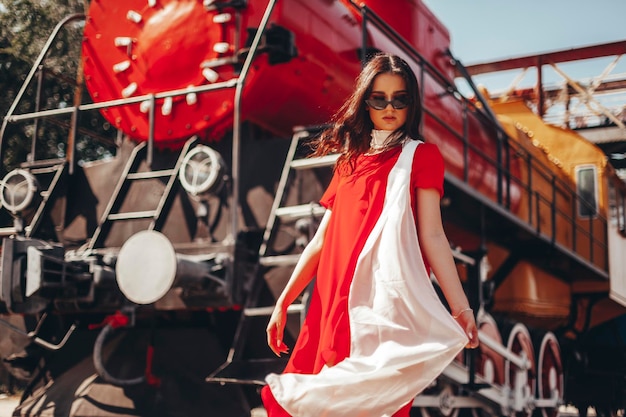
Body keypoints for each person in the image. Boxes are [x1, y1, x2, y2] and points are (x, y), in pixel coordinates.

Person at [261, 53, 479, 417]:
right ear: (365, 102)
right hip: (332, 298)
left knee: (373, 400)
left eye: (400, 98)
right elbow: (320, 241)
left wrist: (460, 307)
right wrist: (284, 300)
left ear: (412, 104)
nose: (389, 107)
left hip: (379, 300)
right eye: (379, 98)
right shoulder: (349, 161)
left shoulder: (423, 157)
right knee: (317, 396)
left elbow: (433, 236)